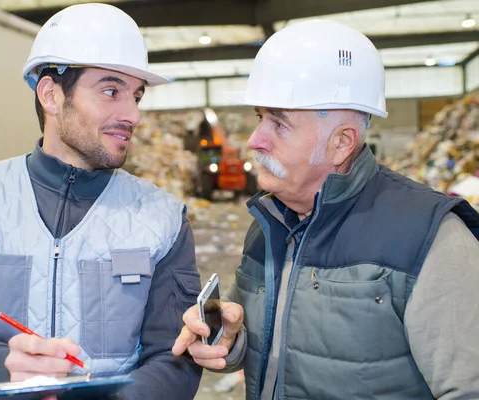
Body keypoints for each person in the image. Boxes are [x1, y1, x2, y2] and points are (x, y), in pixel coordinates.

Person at [0, 4, 202, 399]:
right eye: (111, 91)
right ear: (51, 95)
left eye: (136, 96)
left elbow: (175, 358)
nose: (132, 115)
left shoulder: (163, 218)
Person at [173, 19, 479, 399]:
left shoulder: (431, 239)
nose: (255, 139)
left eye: (278, 124)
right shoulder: (270, 224)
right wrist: (229, 338)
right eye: (259, 118)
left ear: (341, 143)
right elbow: (271, 343)